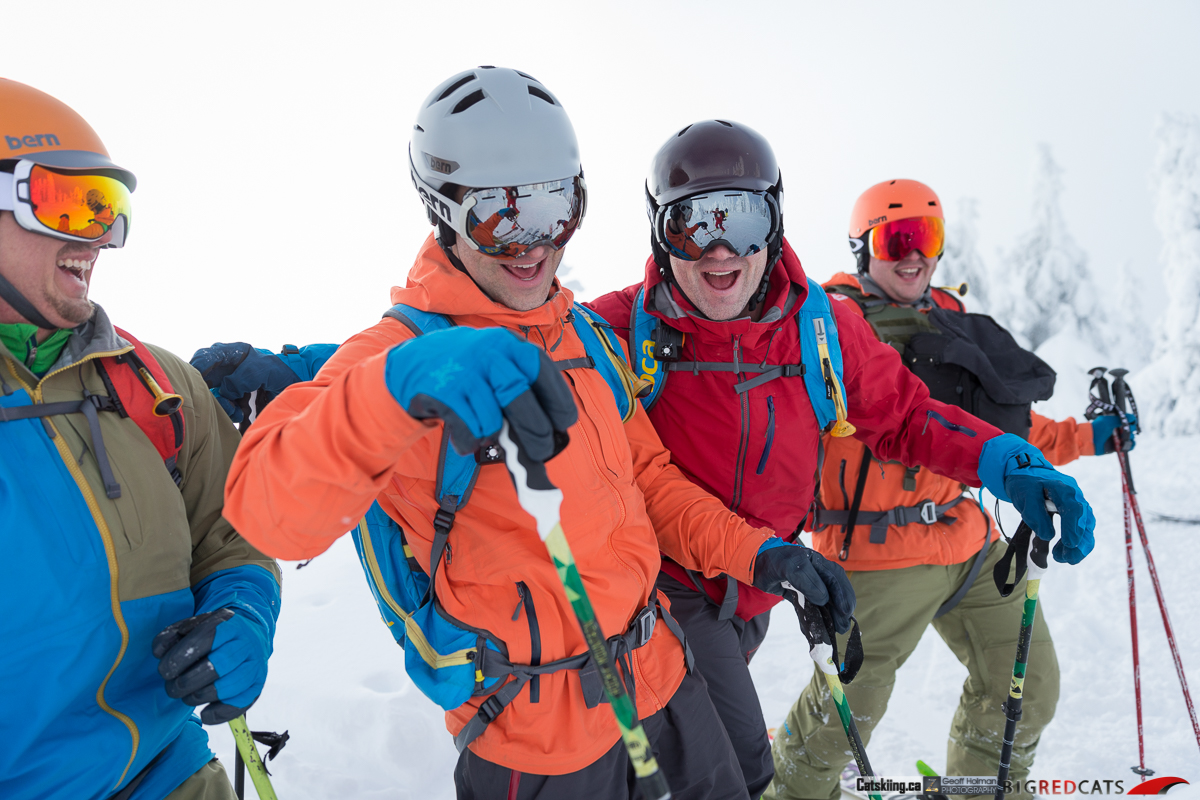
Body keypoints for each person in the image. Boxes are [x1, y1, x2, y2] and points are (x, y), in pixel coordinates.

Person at [199, 121, 1099, 800]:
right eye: (691, 222)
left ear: (775, 222)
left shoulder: (822, 328)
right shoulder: (621, 325)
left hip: (740, 590)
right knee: (745, 764)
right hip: (655, 597)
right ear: (659, 231)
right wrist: (304, 369)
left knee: (730, 752)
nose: (718, 250)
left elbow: (905, 417)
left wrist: (1007, 460)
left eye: (740, 220)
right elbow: (446, 347)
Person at [216, 67, 854, 800]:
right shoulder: (398, 362)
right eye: (498, 214)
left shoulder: (584, 336)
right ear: (441, 208)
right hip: (537, 742)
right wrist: (399, 386)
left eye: (555, 206)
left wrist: (762, 556)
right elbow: (266, 510)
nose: (532, 243)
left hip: (666, 688)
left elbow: (650, 485)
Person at [766, 179, 1133, 800]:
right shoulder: (829, 324)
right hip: (874, 558)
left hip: (969, 543)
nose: (914, 254)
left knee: (1026, 688)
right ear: (865, 248)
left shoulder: (951, 322)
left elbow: (1007, 429)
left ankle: (979, 790)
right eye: (896, 238)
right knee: (838, 725)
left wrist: (1095, 438)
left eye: (926, 237)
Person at [0, 78, 280, 800]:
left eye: (105, 209)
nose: (93, 235)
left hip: (173, 773)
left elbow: (230, 534)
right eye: (64, 202)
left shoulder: (155, 387)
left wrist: (242, 610)